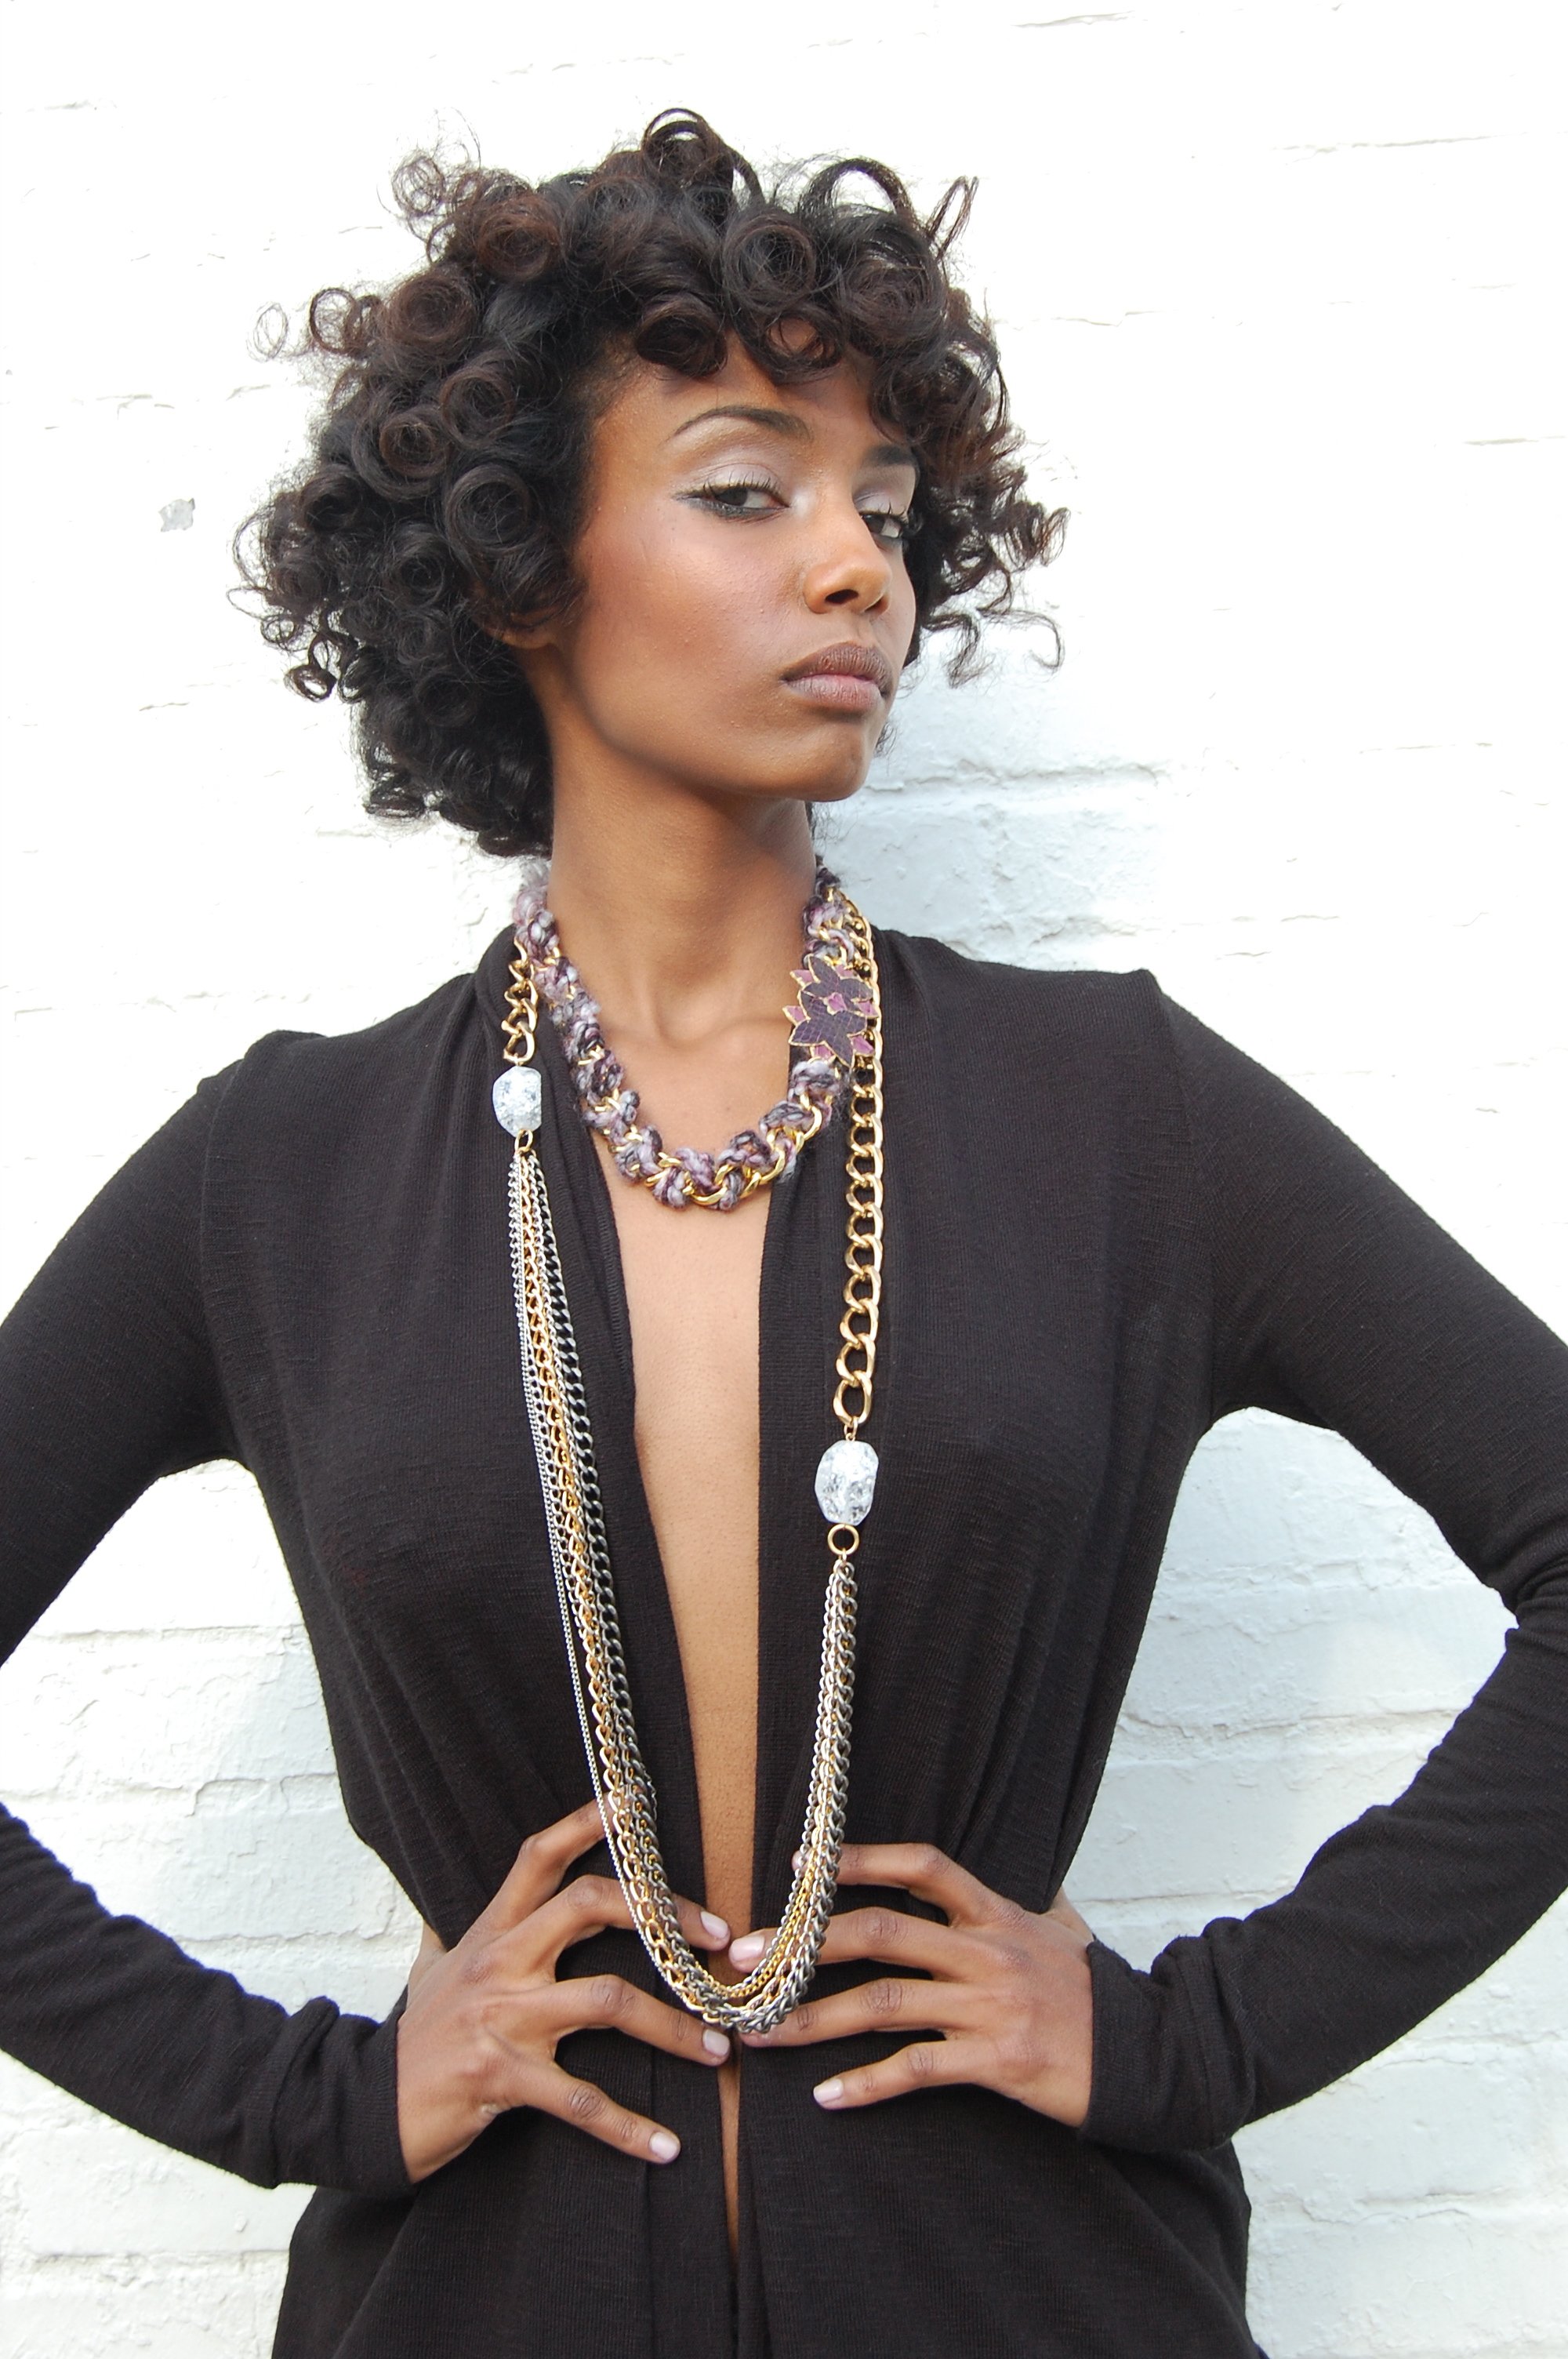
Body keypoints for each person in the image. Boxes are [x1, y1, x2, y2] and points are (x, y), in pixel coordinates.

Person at [2, 107, 1565, 2359]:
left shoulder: (1112, 1115)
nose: (858, 571)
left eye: (890, 512)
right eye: (748, 491)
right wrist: (308, 2095)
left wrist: (1197, 2039)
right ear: (517, 567)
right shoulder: (283, 1176)